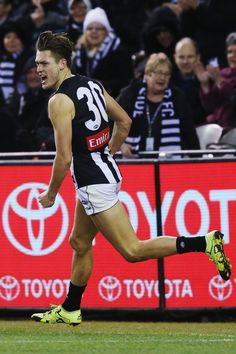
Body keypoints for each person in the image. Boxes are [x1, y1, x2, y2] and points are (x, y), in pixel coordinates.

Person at [31, 31, 231, 326]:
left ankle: (204, 242)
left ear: (62, 64)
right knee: (80, 241)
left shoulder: (59, 101)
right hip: (103, 174)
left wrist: (50, 194)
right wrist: (106, 153)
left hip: (93, 183)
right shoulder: (92, 85)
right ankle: (70, 308)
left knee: (133, 250)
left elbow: (63, 157)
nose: (38, 69)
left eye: (44, 63)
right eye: (37, 63)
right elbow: (124, 122)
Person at [118, 52, 200, 159]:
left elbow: (189, 134)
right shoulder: (130, 94)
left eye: (166, 74)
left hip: (169, 164)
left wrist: (197, 159)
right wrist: (121, 145)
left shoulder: (177, 98)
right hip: (133, 164)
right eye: (158, 73)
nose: (162, 77)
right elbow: (109, 122)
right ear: (147, 74)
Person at [72, 7, 133, 98]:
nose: (94, 32)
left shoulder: (119, 52)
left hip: (113, 100)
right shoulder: (80, 53)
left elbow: (128, 82)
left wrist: (103, 84)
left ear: (106, 31)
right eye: (89, 28)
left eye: (98, 28)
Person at [195, 32, 236, 134]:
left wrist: (219, 80)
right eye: (229, 52)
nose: (232, 56)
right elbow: (210, 107)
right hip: (216, 127)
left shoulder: (219, 77)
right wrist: (205, 85)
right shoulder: (223, 73)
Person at [172, 37, 207, 126]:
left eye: (190, 57)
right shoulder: (167, 83)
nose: (186, 61)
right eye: (181, 57)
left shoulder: (208, 81)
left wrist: (205, 85)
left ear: (198, 57)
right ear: (175, 58)